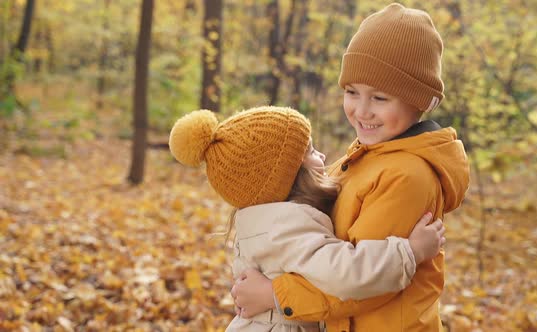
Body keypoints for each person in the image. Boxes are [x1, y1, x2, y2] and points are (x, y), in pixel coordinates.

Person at [230, 3, 471, 332]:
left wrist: (274, 296)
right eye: (352, 92)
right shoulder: (357, 160)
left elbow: (366, 283)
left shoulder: (407, 176)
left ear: (419, 101)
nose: (361, 110)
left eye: (380, 98)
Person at [168, 106, 446, 332]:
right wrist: (410, 252)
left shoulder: (261, 219)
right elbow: (345, 274)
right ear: (289, 176)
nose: (323, 156)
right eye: (311, 152)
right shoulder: (288, 225)